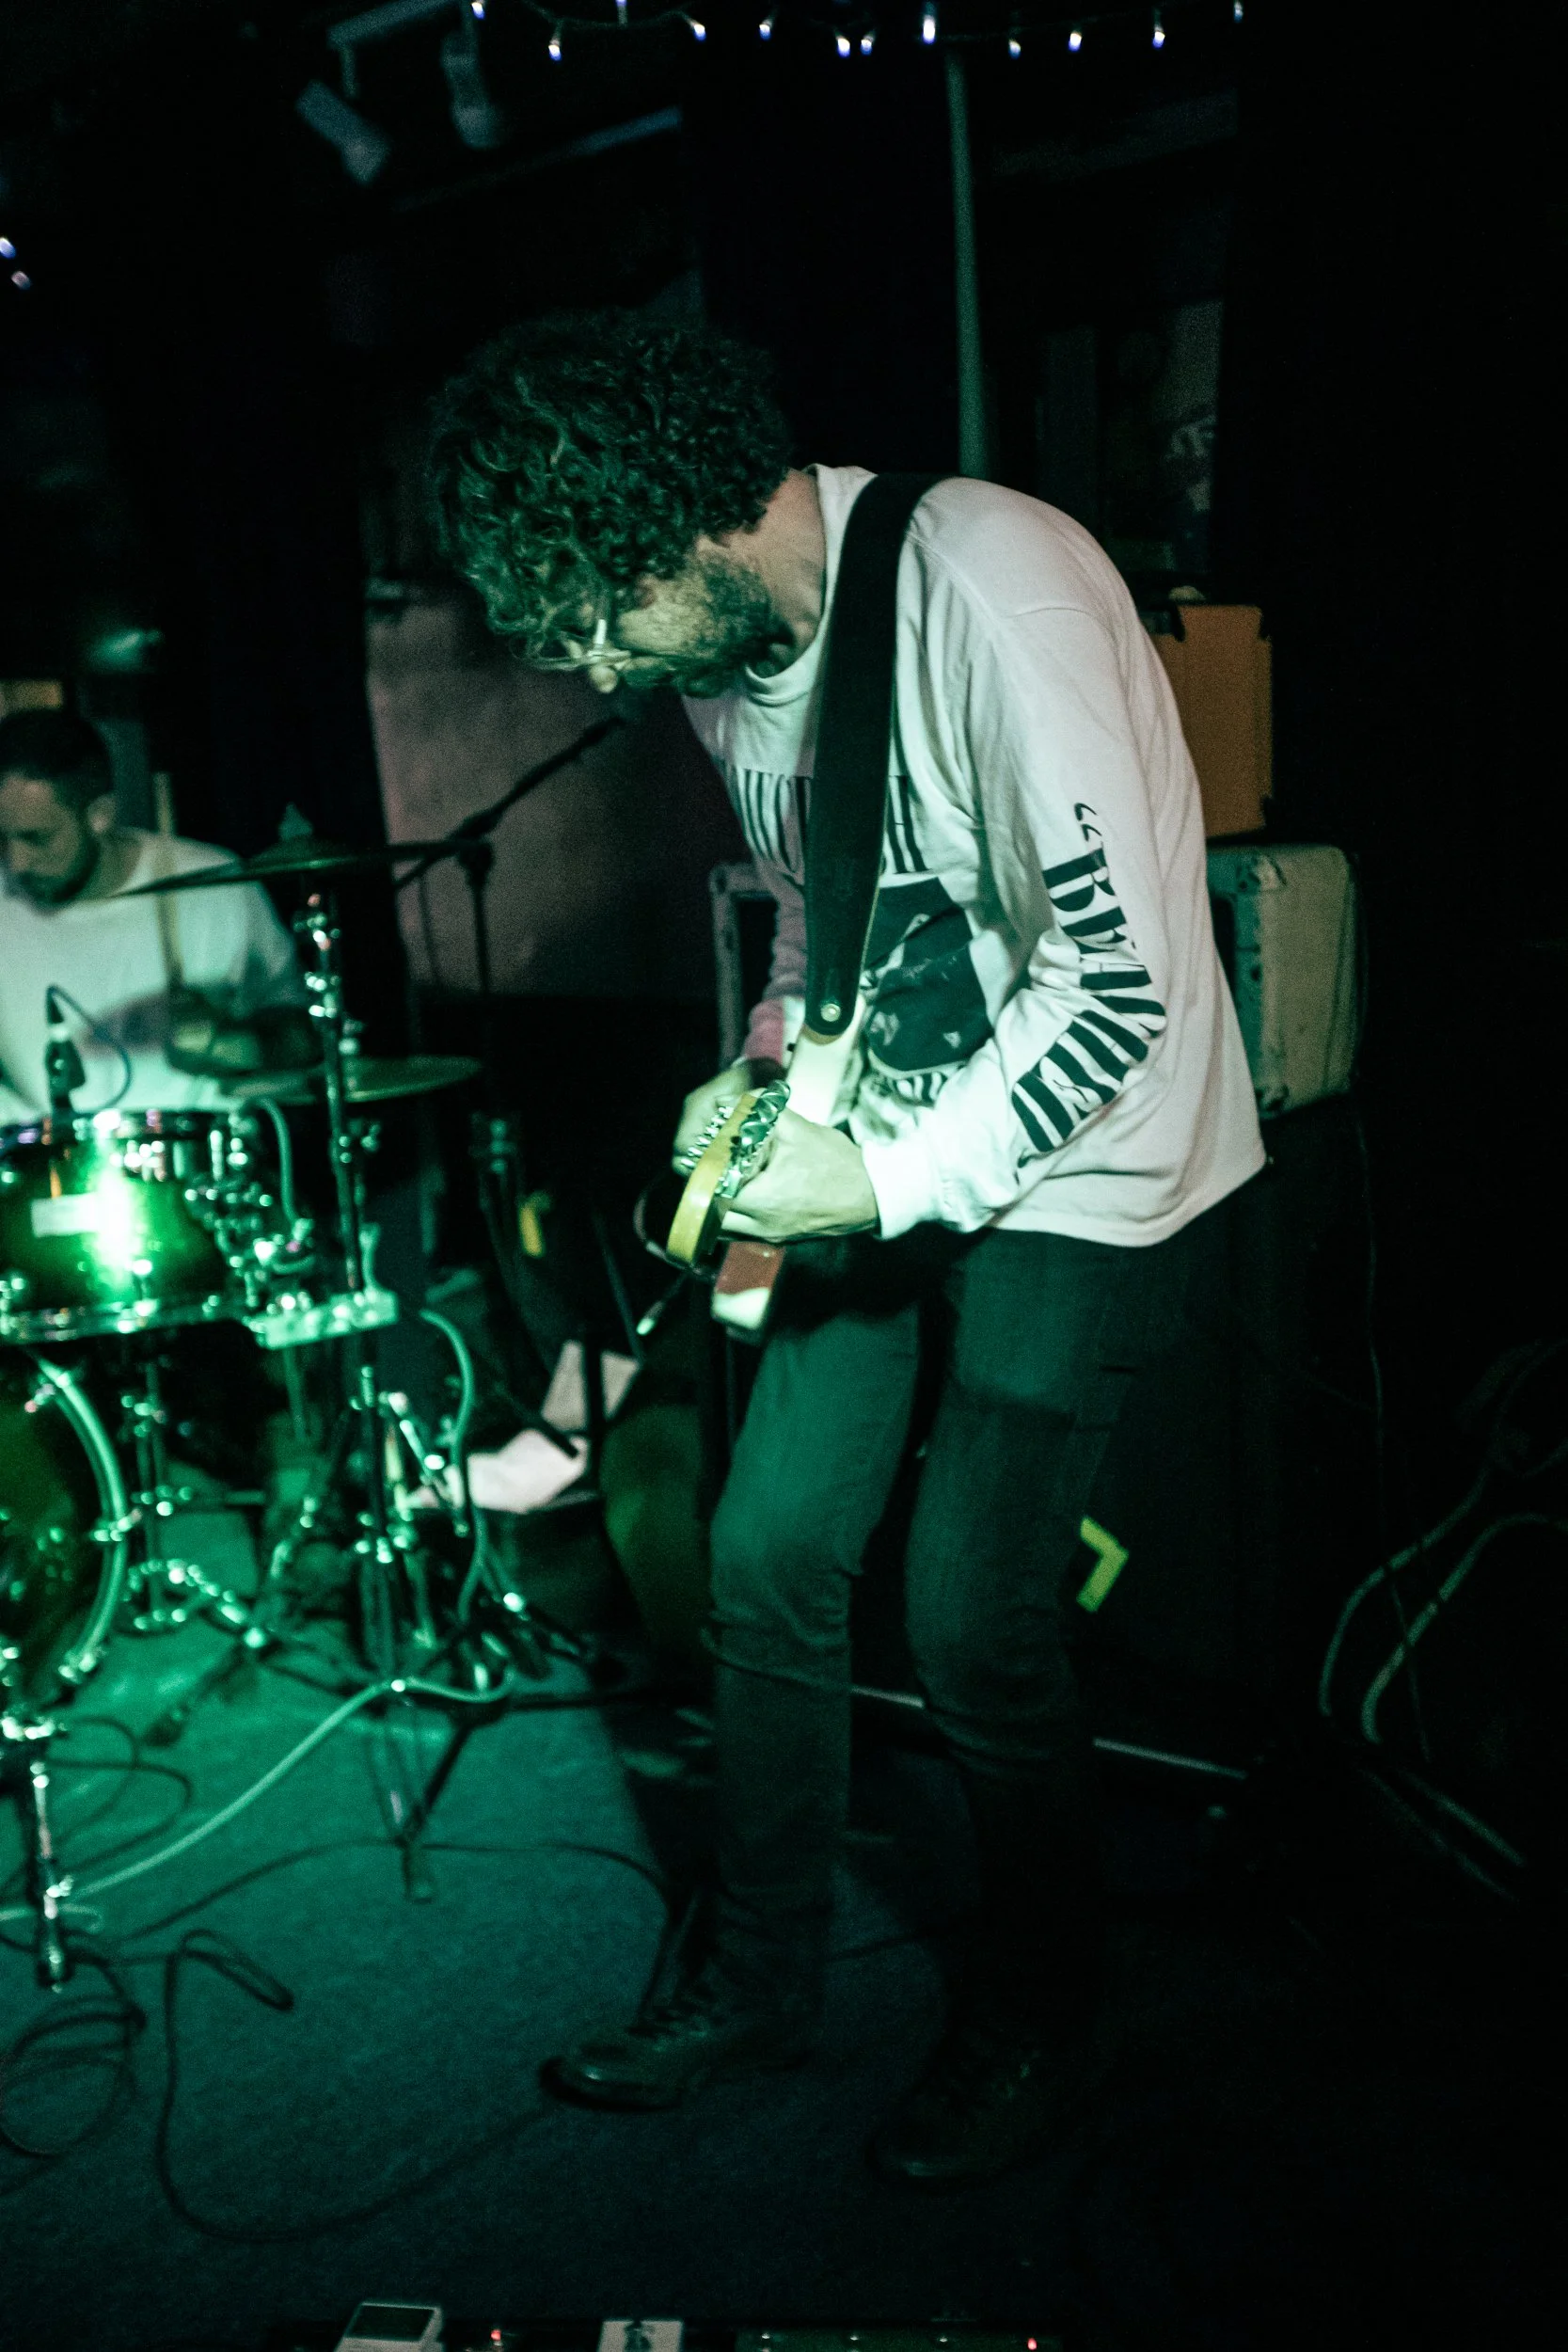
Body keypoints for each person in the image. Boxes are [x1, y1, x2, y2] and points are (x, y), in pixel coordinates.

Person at [429, 314, 1265, 2185]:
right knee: (763, 1547)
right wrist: (747, 1094)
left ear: (666, 527)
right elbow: (831, 947)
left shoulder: (998, 581)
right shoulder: (728, 670)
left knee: (973, 1609)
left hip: (1081, 1162)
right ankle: (761, 1974)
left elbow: (1119, 981)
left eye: (590, 617)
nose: (586, 666)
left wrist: (870, 1185)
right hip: (874, 1145)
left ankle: (1043, 2003)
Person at [0, 710, 310, 1124]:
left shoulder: (212, 886)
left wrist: (240, 1045)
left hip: (203, 1169)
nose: (15, 862)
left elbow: (304, 1035)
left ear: (99, 815)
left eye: (36, 838)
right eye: (1, 838)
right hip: (41, 1171)